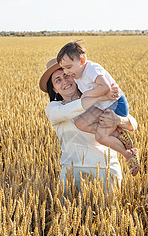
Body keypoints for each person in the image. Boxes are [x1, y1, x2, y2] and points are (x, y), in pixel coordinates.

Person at [39, 58, 138, 193]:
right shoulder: (54, 108)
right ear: (54, 89)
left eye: (67, 76)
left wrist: (118, 120)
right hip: (72, 171)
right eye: (58, 80)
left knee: (108, 212)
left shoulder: (94, 95)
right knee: (69, 212)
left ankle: (122, 145)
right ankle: (118, 137)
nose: (65, 82)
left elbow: (132, 122)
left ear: (74, 76)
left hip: (107, 169)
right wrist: (97, 97)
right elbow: (71, 110)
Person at [56, 41, 139, 174]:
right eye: (63, 69)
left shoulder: (91, 69)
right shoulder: (76, 75)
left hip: (115, 104)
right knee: (81, 123)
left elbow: (105, 87)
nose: (66, 72)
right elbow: (82, 97)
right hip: (103, 105)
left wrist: (88, 95)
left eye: (68, 67)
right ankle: (117, 134)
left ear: (82, 61)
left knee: (101, 137)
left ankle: (128, 154)